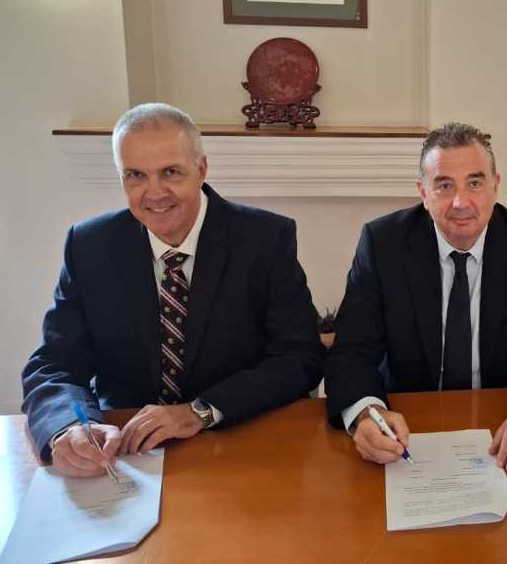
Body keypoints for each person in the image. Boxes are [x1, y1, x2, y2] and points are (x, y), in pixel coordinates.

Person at [22, 103, 325, 476]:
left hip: (239, 444)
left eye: (170, 172)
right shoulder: (90, 246)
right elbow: (54, 365)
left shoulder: (264, 239)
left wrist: (200, 411)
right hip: (125, 454)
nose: (154, 193)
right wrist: (69, 427)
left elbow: (299, 357)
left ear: (201, 170)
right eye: (136, 175)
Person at [325, 123, 507, 475]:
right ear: (423, 193)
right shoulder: (382, 244)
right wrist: (367, 413)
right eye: (444, 185)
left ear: (495, 186)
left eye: (474, 183)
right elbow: (351, 352)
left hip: (505, 430)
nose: (460, 202)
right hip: (409, 432)